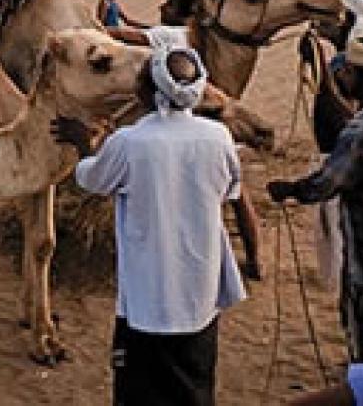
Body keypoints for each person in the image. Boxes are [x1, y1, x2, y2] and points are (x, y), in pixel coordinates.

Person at [53, 48, 246, 405]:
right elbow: (231, 189)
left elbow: (92, 180)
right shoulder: (217, 137)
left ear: (145, 91)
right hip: (200, 296)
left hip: (147, 301)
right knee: (195, 392)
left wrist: (84, 144)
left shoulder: (129, 143)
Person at [107, 0, 263, 280]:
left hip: (180, 121)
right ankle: (254, 258)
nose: (162, 7)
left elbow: (123, 35)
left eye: (168, 3)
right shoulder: (196, 39)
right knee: (238, 194)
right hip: (208, 120)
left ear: (183, 11)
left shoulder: (168, 36)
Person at [269, 33, 363, 362]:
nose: (344, 77)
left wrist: (291, 190)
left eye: (349, 71)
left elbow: (327, 183)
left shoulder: (359, 133)